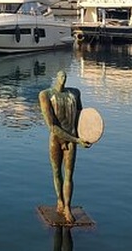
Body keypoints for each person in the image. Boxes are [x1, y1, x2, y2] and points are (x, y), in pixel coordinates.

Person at [39, 69, 91, 224]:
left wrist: (86, 136)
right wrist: (76, 140)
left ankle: (67, 207)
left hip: (72, 138)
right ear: (56, 78)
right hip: (57, 139)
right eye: (61, 76)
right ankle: (60, 200)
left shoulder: (75, 93)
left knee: (69, 175)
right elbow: (52, 127)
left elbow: (82, 116)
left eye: (65, 76)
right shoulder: (45, 95)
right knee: (56, 173)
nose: (63, 78)